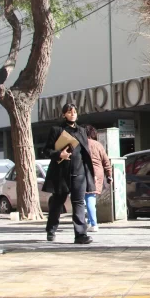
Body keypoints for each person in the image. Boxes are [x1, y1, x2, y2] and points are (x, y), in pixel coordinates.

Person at [42, 103, 94, 244]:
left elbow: (85, 152)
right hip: (61, 174)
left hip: (79, 174)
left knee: (78, 203)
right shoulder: (57, 130)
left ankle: (80, 235)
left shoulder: (82, 131)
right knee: (57, 203)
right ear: (64, 114)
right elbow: (46, 151)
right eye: (69, 112)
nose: (73, 114)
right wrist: (60, 154)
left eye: (75, 112)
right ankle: (51, 230)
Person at [84, 125, 113, 233]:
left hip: (84, 173)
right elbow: (106, 161)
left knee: (84, 199)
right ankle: (91, 223)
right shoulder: (98, 145)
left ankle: (91, 223)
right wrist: (109, 175)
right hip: (97, 173)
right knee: (90, 198)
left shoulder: (80, 144)